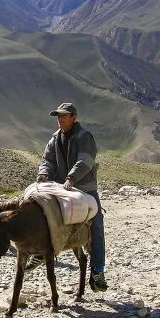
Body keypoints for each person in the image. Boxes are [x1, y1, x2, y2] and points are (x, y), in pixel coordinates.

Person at [32, 102, 108, 292]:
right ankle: (39, 252)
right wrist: (43, 172)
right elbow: (47, 160)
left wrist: (72, 177)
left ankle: (98, 271)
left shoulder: (84, 136)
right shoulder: (55, 138)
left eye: (64, 116)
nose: (60, 119)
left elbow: (85, 160)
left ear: (74, 117)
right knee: (41, 212)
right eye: (58, 116)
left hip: (84, 187)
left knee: (97, 223)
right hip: (61, 187)